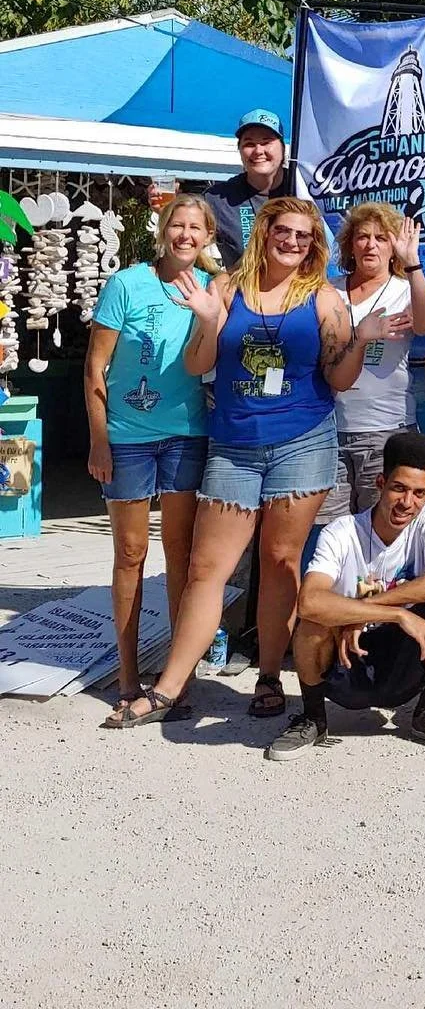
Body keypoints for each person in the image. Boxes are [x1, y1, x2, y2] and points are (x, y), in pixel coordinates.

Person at [107, 197, 399, 728]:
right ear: (265, 233)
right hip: (234, 445)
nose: (292, 242)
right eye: (283, 232)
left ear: (315, 245)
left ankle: (269, 676)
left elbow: (340, 379)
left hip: (303, 443)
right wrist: (207, 322)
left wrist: (361, 338)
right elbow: (199, 364)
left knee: (280, 561)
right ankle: (170, 688)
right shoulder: (225, 288)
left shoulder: (326, 299)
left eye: (304, 236)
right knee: (204, 568)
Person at [85, 195, 217, 726]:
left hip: (187, 435)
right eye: (177, 225)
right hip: (128, 437)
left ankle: (176, 675)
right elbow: (95, 369)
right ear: (163, 230)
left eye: (195, 227)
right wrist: (99, 440)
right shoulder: (126, 284)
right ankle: (126, 674)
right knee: (131, 554)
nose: (185, 235)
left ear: (208, 235)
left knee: (182, 559)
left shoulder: (214, 288)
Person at [265, 432, 425, 759]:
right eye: (399, 488)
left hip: (404, 660)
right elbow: (309, 601)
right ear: (380, 482)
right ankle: (313, 718)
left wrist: (364, 610)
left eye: (419, 493)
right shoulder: (341, 532)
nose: (407, 503)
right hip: (349, 658)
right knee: (313, 622)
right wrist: (398, 612)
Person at [317, 202, 425, 524]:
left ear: (393, 247)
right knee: (331, 533)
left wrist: (413, 265)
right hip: (328, 431)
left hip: (386, 430)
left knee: (380, 530)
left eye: (382, 238)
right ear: (349, 244)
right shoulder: (328, 292)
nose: (371, 245)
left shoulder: (404, 290)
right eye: (363, 236)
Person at [204, 108, 290, 269]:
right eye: (249, 144)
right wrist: (167, 211)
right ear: (240, 151)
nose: (258, 151)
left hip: (301, 291)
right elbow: (189, 236)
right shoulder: (218, 198)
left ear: (283, 148)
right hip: (244, 291)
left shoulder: (304, 188)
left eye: (266, 142)